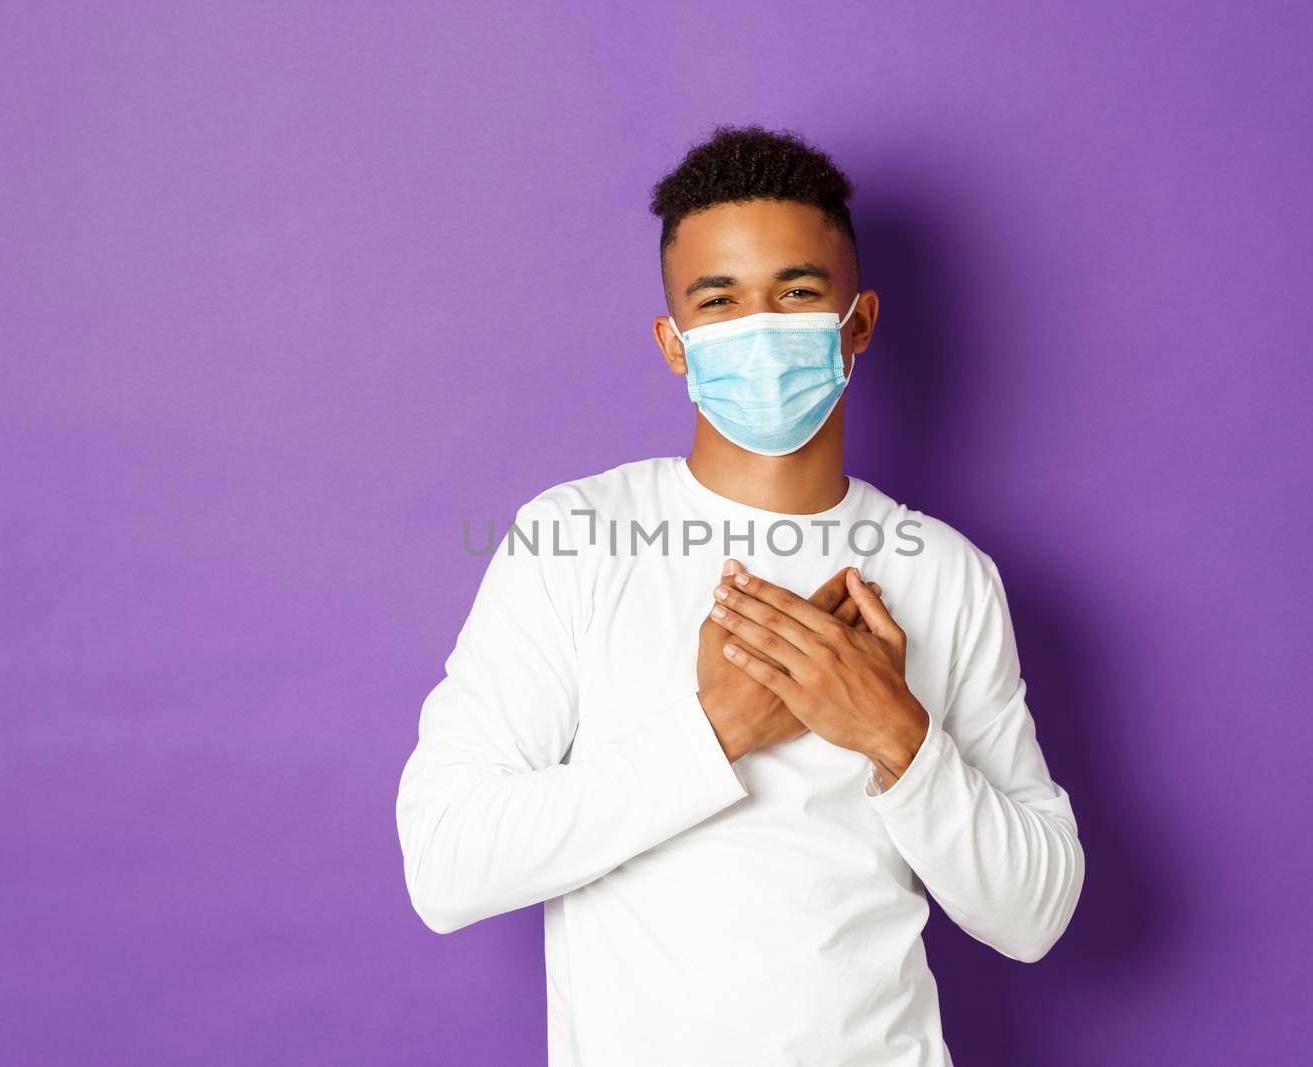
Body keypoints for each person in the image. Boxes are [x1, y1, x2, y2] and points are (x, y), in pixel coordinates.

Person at [396, 124, 1085, 1067]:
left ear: (861, 322)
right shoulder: (575, 538)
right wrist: (715, 730)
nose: (758, 329)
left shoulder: (942, 569)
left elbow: (1034, 913)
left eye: (796, 293)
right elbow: (447, 863)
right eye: (718, 302)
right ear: (674, 344)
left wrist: (894, 732)